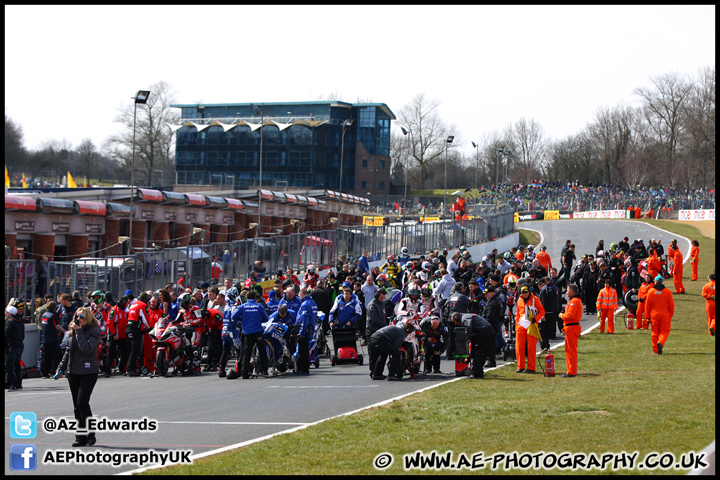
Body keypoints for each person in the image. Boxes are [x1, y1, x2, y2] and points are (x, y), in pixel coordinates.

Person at [56, 307, 101, 446]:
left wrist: (79, 331)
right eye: (77, 316)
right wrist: (60, 368)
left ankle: (91, 432)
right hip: (73, 371)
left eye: (81, 317)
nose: (78, 319)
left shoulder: (94, 330)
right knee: (76, 406)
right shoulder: (72, 331)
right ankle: (80, 436)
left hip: (88, 371)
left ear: (87, 317)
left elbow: (87, 349)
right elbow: (68, 351)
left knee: (82, 402)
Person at [451, 312, 495, 379]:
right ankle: (478, 372)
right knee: (479, 353)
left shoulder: (464, 318)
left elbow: (468, 327)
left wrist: (468, 338)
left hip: (484, 333)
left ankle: (476, 373)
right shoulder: (467, 316)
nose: (456, 324)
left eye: (455, 321)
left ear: (457, 318)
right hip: (484, 332)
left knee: (479, 354)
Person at [514, 285, 545, 373]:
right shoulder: (519, 300)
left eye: (526, 292)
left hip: (531, 325)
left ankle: (531, 367)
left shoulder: (535, 299)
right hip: (521, 325)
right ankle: (520, 366)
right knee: (519, 347)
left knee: (531, 347)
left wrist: (536, 319)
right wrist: (516, 327)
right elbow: (517, 315)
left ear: (529, 291)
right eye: (523, 292)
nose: (525, 294)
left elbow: (542, 311)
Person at [238, 290, 269, 378]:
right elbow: (266, 319)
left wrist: (243, 320)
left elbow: (234, 316)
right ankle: (265, 370)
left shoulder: (242, 307)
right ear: (255, 297)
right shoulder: (259, 306)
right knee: (262, 351)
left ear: (246, 298)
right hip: (258, 331)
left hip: (247, 332)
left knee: (246, 353)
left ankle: (244, 373)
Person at [644, 275, 675, 355]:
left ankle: (656, 349)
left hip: (654, 314)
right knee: (664, 331)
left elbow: (647, 305)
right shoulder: (667, 292)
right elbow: (671, 305)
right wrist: (670, 314)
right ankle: (661, 342)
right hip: (665, 314)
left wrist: (647, 317)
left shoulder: (651, 292)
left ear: (655, 281)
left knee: (654, 332)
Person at [558, 284, 583, 377]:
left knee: (571, 350)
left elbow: (570, 316)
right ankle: (570, 369)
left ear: (572, 291)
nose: (566, 292)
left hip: (572, 328)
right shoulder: (575, 300)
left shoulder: (575, 301)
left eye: (567, 290)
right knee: (569, 350)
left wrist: (562, 316)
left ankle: (571, 371)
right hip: (571, 328)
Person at [125, 292, 152, 376]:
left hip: (128, 328)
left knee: (130, 350)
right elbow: (145, 319)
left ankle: (129, 368)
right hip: (135, 329)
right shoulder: (142, 305)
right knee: (135, 350)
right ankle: (130, 369)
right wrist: (150, 328)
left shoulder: (133, 304)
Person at [295, 288, 318, 375]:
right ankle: (305, 368)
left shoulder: (305, 304)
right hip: (310, 329)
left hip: (305, 331)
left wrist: (301, 332)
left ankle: (303, 369)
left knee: (303, 351)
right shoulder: (313, 302)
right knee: (305, 350)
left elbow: (305, 320)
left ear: (301, 294)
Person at [481, 285, 504, 368]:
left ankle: (491, 361)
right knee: (490, 344)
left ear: (492, 293)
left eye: (487, 293)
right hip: (491, 326)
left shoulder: (493, 302)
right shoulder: (491, 301)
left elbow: (490, 316)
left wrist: (484, 320)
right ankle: (490, 360)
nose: (485, 295)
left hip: (491, 326)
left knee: (491, 345)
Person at [5, 299, 26, 391]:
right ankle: (19, 383)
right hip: (20, 345)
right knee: (17, 365)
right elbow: (22, 334)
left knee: (8, 365)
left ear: (9, 313)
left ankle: (14, 383)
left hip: (13, 346)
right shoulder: (20, 321)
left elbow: (6, 335)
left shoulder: (10, 322)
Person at [41, 301, 65, 378]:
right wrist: (65, 331)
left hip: (44, 338)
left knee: (46, 356)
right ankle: (54, 371)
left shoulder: (44, 315)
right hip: (52, 338)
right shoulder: (52, 315)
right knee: (57, 355)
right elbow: (57, 326)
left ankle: (44, 372)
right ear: (55, 308)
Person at [538, 277, 560, 350]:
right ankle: (547, 345)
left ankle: (544, 345)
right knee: (547, 330)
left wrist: (542, 314)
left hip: (546, 313)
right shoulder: (551, 288)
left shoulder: (544, 291)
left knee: (542, 330)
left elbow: (543, 303)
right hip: (552, 311)